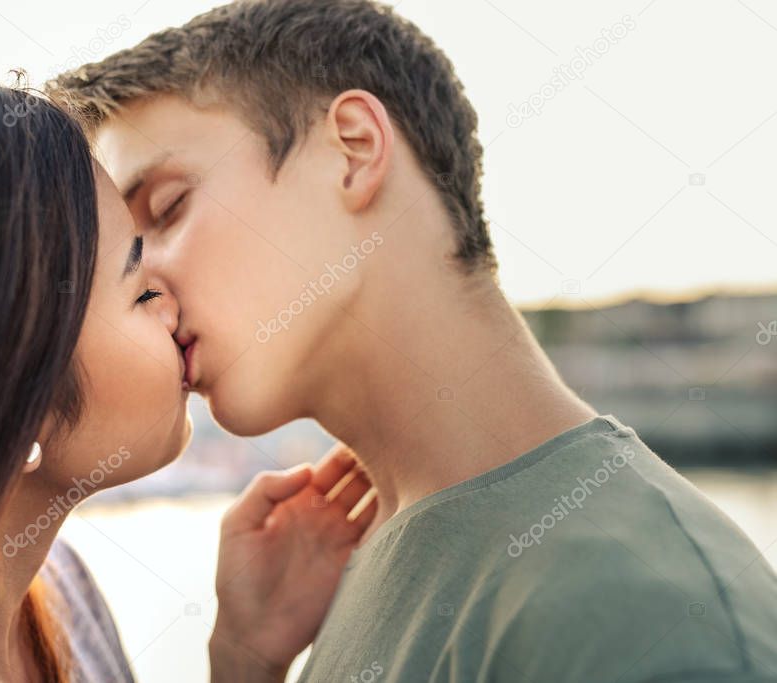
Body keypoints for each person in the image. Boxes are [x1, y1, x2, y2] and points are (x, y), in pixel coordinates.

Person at [48, 1, 777, 680]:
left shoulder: (643, 612)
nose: (145, 286)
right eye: (129, 249)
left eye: (169, 208)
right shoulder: (348, 570)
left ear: (354, 150)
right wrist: (242, 663)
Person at [0, 79, 376, 683]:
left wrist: (244, 656)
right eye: (138, 286)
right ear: (15, 405)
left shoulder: (60, 593)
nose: (174, 301)